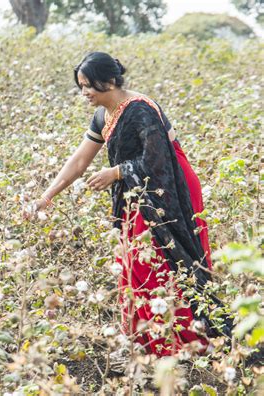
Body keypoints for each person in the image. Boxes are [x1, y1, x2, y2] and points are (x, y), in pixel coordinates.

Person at [26, 52, 232, 357]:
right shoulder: (102, 115)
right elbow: (80, 160)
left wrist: (118, 171)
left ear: (109, 81)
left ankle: (184, 340)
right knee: (135, 258)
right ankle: (147, 340)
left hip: (170, 184)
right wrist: (46, 196)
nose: (84, 93)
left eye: (88, 86)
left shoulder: (140, 110)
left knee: (157, 259)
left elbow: (159, 160)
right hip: (141, 187)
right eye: (80, 86)